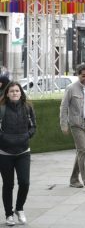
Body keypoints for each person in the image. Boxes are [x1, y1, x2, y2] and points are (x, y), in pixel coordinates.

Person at [0, 82, 36, 226]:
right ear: (7, 94)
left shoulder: (28, 107)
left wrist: (26, 136)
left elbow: (34, 127)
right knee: (8, 185)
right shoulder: (1, 109)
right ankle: (9, 214)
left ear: (21, 93)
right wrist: (6, 138)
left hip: (23, 151)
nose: (15, 93)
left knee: (25, 182)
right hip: (4, 153)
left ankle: (19, 208)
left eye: (17, 91)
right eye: (12, 91)